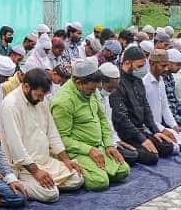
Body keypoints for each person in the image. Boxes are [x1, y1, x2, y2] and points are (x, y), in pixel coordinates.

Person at [0, 68, 85, 201]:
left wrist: (66, 159)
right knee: (51, 194)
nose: (42, 99)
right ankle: (12, 180)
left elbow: (52, 132)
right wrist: (36, 172)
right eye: (39, 95)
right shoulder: (10, 105)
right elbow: (16, 147)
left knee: (77, 178)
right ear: (26, 87)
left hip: (45, 161)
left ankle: (47, 183)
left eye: (44, 95)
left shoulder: (41, 100)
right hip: (23, 167)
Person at [50, 59, 130, 191]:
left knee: (123, 170)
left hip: (98, 147)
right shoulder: (63, 102)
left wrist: (109, 144)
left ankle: (99, 168)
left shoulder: (91, 91)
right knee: (99, 182)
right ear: (78, 82)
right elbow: (61, 139)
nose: (94, 93)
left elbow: (102, 119)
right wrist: (89, 150)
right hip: (76, 151)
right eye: (91, 89)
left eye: (95, 89)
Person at [109, 46, 175, 165]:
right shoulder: (118, 83)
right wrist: (142, 139)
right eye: (139, 66)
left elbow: (146, 108)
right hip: (126, 133)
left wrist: (155, 131)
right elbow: (121, 118)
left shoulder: (138, 81)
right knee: (151, 157)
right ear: (127, 63)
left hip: (139, 130)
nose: (142, 69)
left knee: (167, 146)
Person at [142, 50, 181, 152]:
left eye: (167, 65)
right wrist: (162, 130)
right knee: (173, 148)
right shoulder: (144, 84)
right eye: (163, 65)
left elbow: (165, 108)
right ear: (152, 64)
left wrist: (174, 126)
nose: (166, 68)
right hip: (148, 128)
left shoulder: (161, 81)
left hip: (160, 126)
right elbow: (144, 116)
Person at [97, 63, 139, 165]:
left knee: (133, 154)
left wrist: (115, 140)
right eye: (110, 88)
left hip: (108, 139)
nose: (113, 91)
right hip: (97, 142)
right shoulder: (92, 96)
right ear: (100, 82)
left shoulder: (105, 96)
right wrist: (108, 145)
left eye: (115, 88)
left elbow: (107, 121)